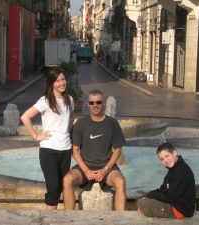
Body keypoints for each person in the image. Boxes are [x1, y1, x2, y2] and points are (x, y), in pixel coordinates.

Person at [63, 89, 126, 211]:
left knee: (120, 182)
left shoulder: (112, 123)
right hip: (85, 167)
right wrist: (86, 171)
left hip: (107, 168)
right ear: (88, 104)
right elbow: (75, 150)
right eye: (92, 103)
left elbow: (117, 150)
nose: (95, 105)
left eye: (98, 102)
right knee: (67, 179)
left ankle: (120, 220)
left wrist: (105, 169)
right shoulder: (81, 123)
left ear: (102, 103)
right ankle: (68, 218)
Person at [21, 68, 74, 211]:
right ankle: (50, 219)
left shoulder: (70, 100)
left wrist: (67, 132)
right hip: (49, 150)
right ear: (51, 84)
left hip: (66, 149)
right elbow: (25, 117)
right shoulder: (45, 101)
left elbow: (71, 118)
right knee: (53, 189)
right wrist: (36, 136)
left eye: (63, 79)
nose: (62, 83)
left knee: (62, 187)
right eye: (57, 81)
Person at [137, 143, 196, 219]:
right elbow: (163, 190)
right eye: (162, 159)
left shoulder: (181, 170)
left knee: (142, 203)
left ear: (174, 153)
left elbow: (169, 197)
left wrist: (149, 195)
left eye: (167, 156)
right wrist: (148, 195)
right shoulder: (174, 169)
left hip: (180, 210)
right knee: (142, 200)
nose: (165, 161)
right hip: (175, 204)